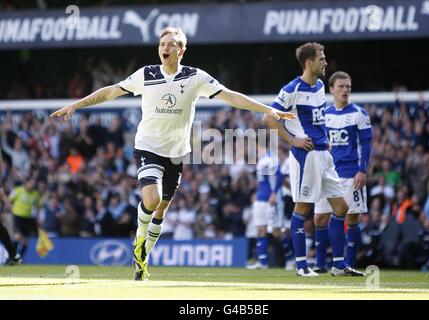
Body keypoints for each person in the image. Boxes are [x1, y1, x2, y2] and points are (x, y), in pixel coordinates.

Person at [50, 27, 295, 281]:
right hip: (148, 146)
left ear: (182, 50)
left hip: (176, 154)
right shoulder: (146, 74)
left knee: (162, 209)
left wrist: (267, 109)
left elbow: (231, 97)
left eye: (171, 44)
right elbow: (111, 91)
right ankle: (139, 238)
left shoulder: (195, 77)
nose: (164, 48)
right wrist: (77, 104)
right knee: (152, 199)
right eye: (162, 44)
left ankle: (142, 261)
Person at [263, 42, 363, 277]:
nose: (325, 62)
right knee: (303, 208)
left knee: (341, 206)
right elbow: (268, 118)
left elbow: (317, 118)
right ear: (309, 62)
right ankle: (301, 266)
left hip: (324, 154)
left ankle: (338, 265)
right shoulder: (291, 89)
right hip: (305, 155)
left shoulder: (319, 86)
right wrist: (292, 139)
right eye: (322, 59)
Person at [313, 71, 372, 274]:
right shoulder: (325, 115)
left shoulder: (359, 114)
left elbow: (366, 144)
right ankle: (320, 264)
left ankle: (346, 264)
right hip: (328, 174)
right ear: (331, 90)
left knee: (351, 218)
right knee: (319, 218)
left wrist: (362, 170)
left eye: (348, 86)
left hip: (350, 173)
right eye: (341, 86)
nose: (345, 90)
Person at [246, 144, 295, 270]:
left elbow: (279, 176)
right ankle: (262, 262)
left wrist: (274, 193)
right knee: (260, 229)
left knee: (276, 232)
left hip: (272, 200)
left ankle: (290, 259)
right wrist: (256, 193)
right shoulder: (261, 160)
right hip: (261, 199)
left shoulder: (271, 158)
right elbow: (263, 181)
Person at [7, 179, 39, 261]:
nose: (32, 185)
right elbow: (9, 200)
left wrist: (36, 216)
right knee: (17, 236)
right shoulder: (18, 190)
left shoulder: (35, 194)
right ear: (26, 183)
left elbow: (37, 206)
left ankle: (20, 258)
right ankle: (12, 256)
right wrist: (11, 208)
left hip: (28, 218)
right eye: (30, 183)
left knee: (25, 240)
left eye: (33, 184)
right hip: (18, 216)